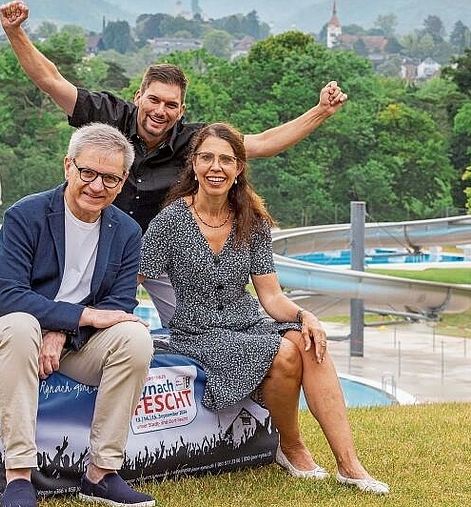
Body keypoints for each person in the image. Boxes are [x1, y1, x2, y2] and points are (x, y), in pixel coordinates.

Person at [0, 0, 349, 327]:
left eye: (170, 105)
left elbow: (265, 143)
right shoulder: (107, 115)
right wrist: (15, 32)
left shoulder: (194, 142)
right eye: (153, 100)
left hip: (161, 253)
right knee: (74, 319)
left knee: (197, 328)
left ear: (181, 110)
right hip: (100, 243)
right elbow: (50, 80)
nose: (159, 111)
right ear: (139, 97)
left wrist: (321, 111)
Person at [138, 123, 390, 495]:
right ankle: (291, 446)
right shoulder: (170, 221)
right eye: (207, 158)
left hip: (247, 319)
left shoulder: (250, 221)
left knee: (308, 342)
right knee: (285, 351)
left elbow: (270, 297)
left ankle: (349, 464)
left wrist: (306, 316)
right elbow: (134, 279)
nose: (215, 167)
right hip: (198, 331)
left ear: (239, 168)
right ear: (192, 164)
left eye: (226, 159)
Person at [0, 123, 157, 507]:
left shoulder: (126, 231)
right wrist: (77, 318)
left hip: (75, 345)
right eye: (87, 172)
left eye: (109, 178)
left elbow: (120, 304)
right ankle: (19, 477)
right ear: (67, 166)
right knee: (23, 325)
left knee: (135, 337)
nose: (96, 186)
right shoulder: (26, 215)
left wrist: (62, 331)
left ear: (123, 180)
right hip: (8, 337)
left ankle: (101, 473)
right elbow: (10, 298)